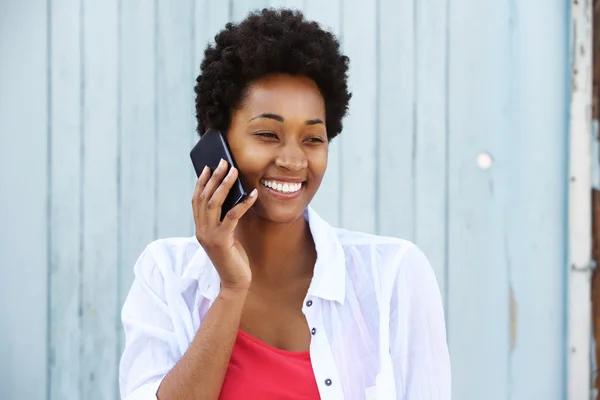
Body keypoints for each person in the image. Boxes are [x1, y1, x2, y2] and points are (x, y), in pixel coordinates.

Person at [119, 8, 450, 400]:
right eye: (267, 134)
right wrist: (230, 289)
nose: (293, 160)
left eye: (313, 139)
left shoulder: (391, 276)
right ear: (216, 144)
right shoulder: (168, 275)